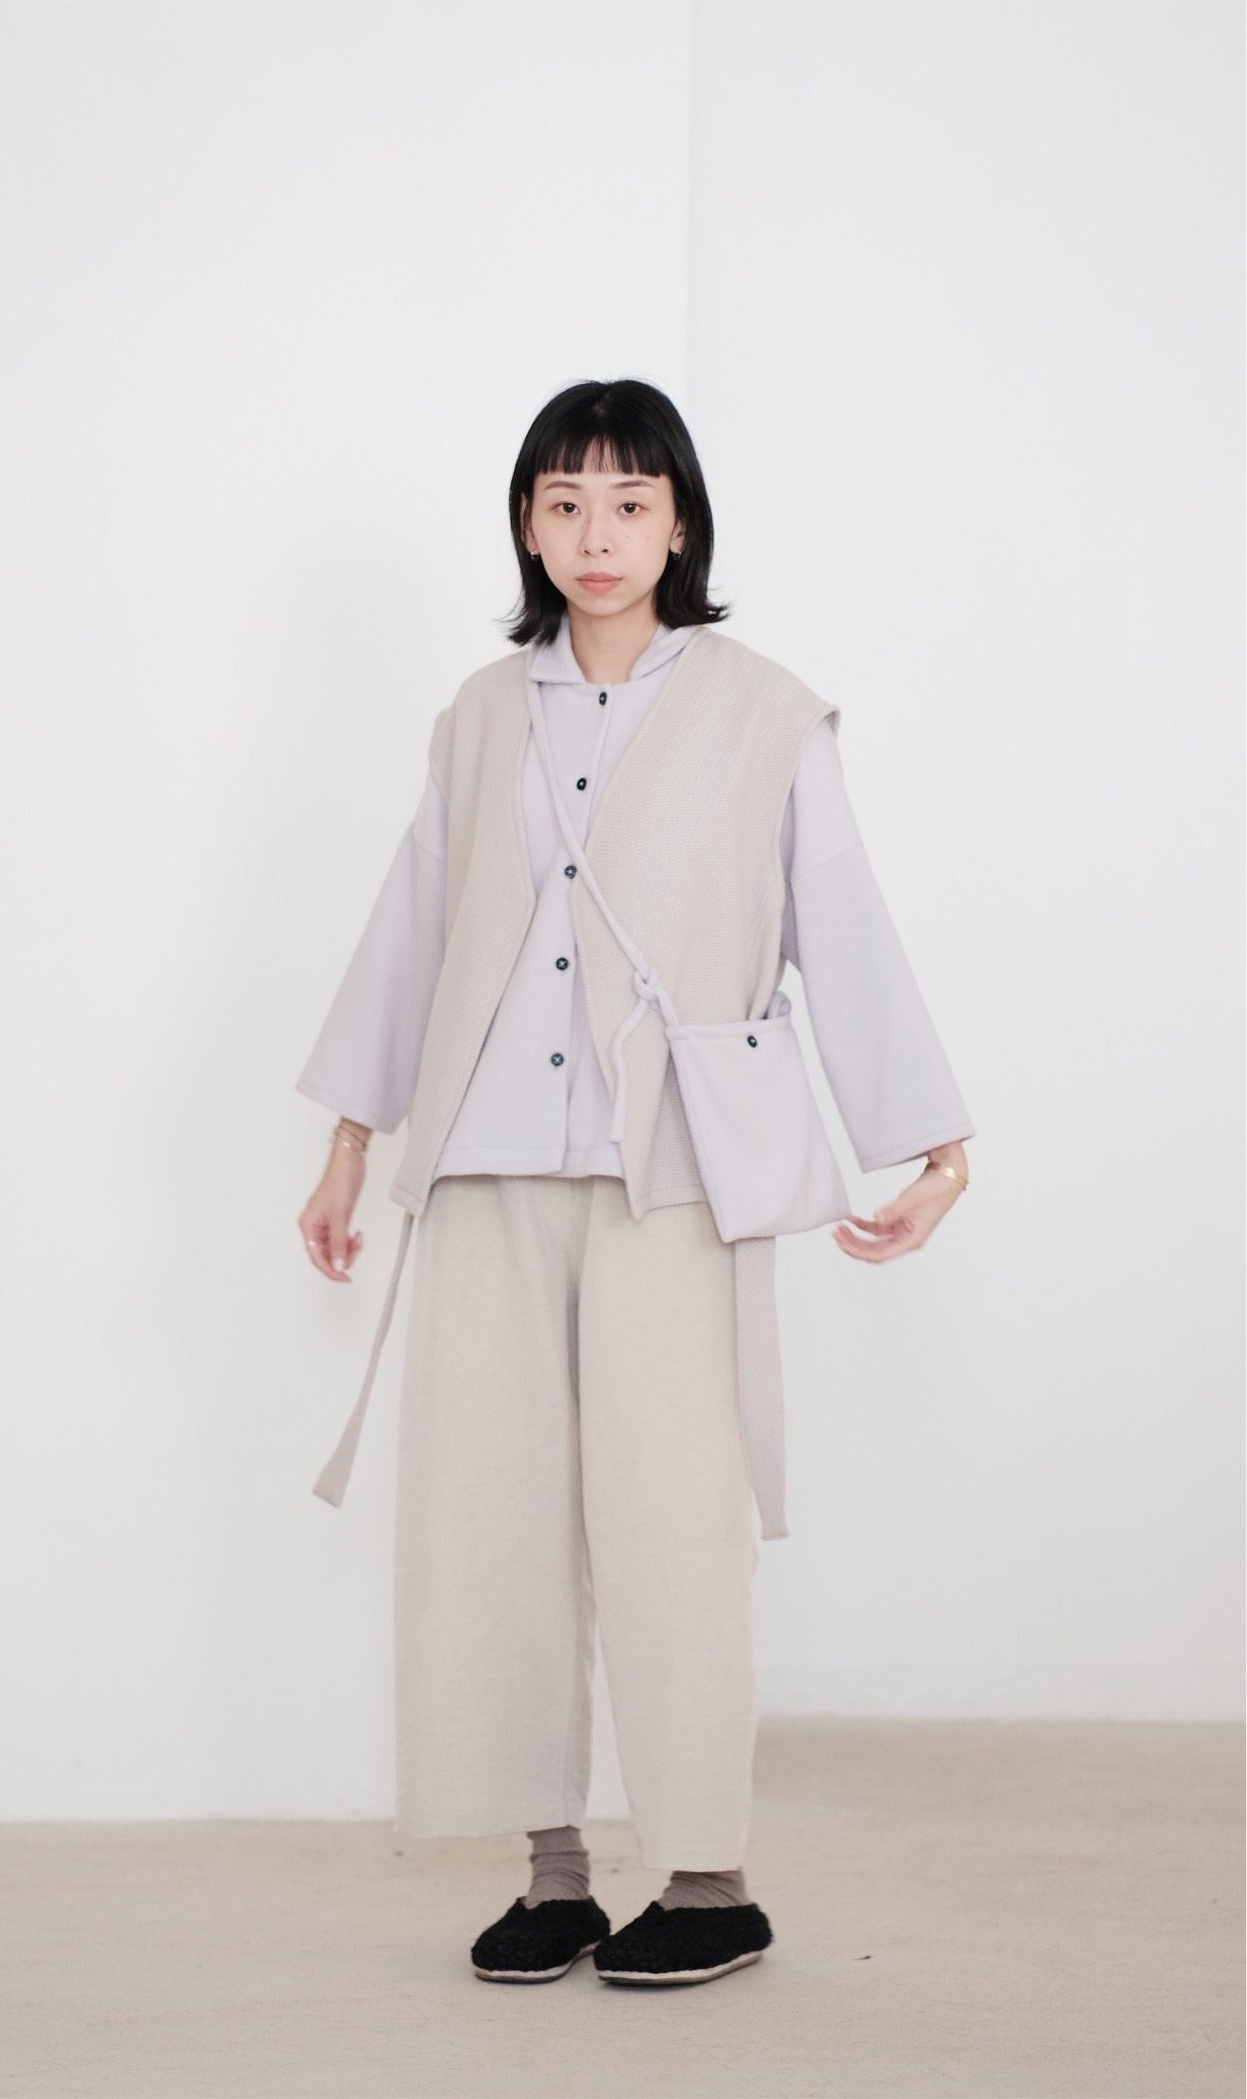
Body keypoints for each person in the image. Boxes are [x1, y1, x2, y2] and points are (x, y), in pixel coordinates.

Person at [293, 378, 975, 1989]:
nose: (595, 534)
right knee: (489, 1519)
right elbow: (413, 928)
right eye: (563, 501)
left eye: (629, 501)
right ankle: (552, 1876)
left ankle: (710, 1880)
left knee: (675, 1521)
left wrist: (933, 1147)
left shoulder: (763, 712)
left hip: (675, 1168)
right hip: (484, 1167)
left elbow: (840, 918)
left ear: (681, 524)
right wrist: (349, 1140)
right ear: (528, 526)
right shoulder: (480, 715)